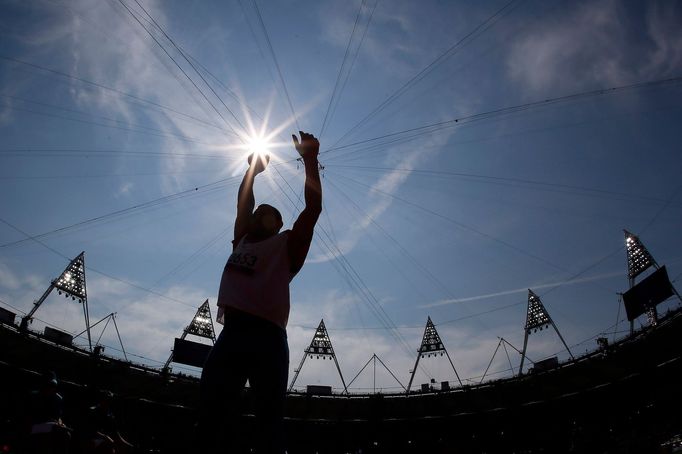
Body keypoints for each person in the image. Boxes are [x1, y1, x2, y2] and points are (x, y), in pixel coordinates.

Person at [199, 131, 322, 453]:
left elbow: (312, 210)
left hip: (267, 337)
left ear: (279, 223)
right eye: (257, 213)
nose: (259, 213)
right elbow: (244, 201)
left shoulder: (287, 246)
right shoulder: (242, 239)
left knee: (268, 419)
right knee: (211, 410)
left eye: (268, 213)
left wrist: (309, 159)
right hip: (233, 333)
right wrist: (252, 170)